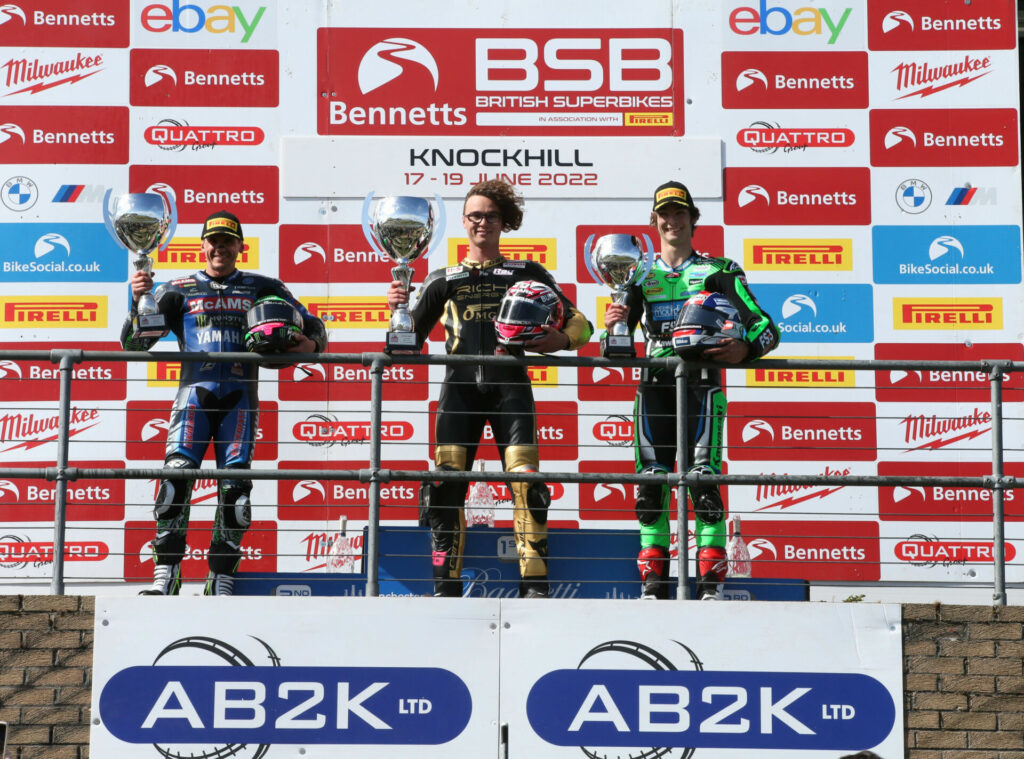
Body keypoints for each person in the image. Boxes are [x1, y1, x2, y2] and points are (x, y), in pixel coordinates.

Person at [387, 180, 592, 598]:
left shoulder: (526, 273)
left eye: (491, 216)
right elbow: (404, 344)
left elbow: (581, 324)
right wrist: (397, 312)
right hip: (457, 392)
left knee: (528, 484)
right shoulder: (443, 279)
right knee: (444, 487)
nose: (483, 222)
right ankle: (445, 587)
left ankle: (534, 587)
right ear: (463, 222)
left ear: (504, 223)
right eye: (475, 216)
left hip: (510, 389)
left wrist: (560, 341)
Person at [122, 210, 327, 596]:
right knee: (174, 482)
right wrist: (137, 302)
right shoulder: (175, 289)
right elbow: (133, 343)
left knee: (236, 491)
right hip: (192, 398)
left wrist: (312, 345)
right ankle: (166, 575)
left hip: (241, 401)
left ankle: (221, 577)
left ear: (240, 247)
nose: (220, 247)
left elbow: (312, 324)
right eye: (213, 240)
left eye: (227, 241)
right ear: (202, 246)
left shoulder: (264, 287)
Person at [604, 181, 779, 600]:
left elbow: (767, 329)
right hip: (653, 387)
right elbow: (615, 350)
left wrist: (744, 349)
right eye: (664, 213)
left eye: (679, 213)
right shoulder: (637, 274)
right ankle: (652, 584)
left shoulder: (720, 271)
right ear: (653, 220)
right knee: (651, 483)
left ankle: (710, 585)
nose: (671, 221)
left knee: (704, 480)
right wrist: (612, 328)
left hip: (702, 385)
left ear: (693, 219)